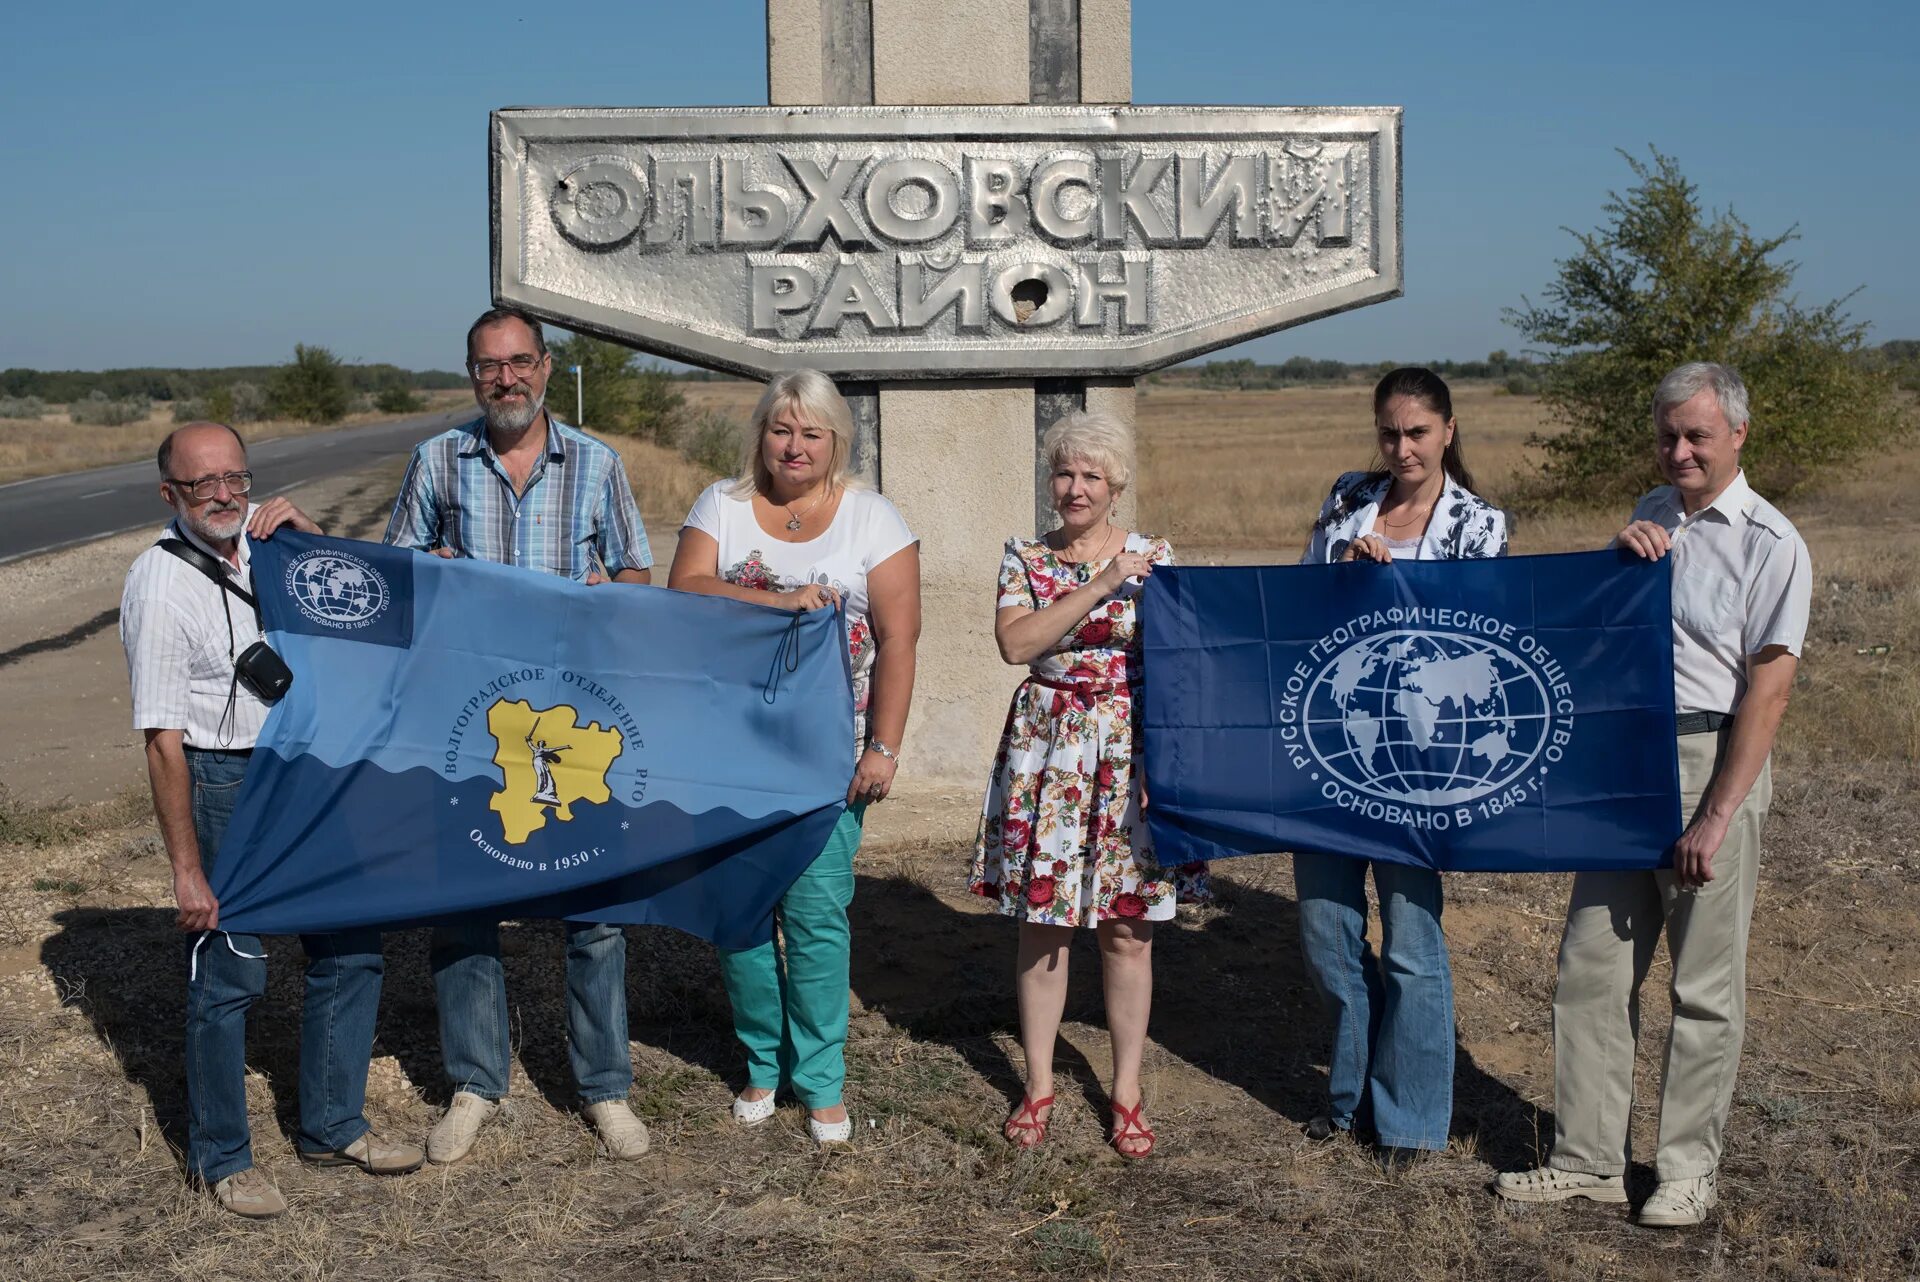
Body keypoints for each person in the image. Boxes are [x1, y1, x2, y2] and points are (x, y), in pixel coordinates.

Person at [1496, 362, 1810, 1226]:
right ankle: (1589, 1161)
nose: (1680, 451)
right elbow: (1604, 629)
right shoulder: (1650, 511)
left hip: (1712, 761)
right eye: (1668, 435)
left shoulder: (1771, 543)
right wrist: (1617, 556)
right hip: (1622, 765)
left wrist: (1717, 812)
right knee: (1590, 971)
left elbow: (1768, 692)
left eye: (1697, 436)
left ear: (1738, 435)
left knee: (1703, 986)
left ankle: (1684, 1171)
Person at [120, 422, 423, 1219]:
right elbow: (162, 741)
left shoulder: (271, 547)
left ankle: (332, 1126)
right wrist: (187, 870)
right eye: (201, 484)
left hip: (310, 770)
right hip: (229, 780)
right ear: (170, 495)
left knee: (352, 945)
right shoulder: (157, 586)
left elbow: (364, 619)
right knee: (230, 969)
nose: (223, 495)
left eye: (235, 478)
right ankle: (223, 1156)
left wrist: (315, 541)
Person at [383, 306, 654, 1163]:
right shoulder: (436, 461)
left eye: (520, 363)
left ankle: (604, 1085)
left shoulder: (600, 464)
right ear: (472, 375)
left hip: (574, 721)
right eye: (489, 366)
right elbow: (398, 576)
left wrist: (609, 592)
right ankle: (475, 1081)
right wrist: (433, 573)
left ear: (545, 366)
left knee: (593, 907)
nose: (507, 379)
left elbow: (638, 572)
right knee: (466, 904)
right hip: (469, 725)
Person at [668, 368, 921, 1147]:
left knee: (815, 919)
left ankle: (820, 1080)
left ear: (835, 440)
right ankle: (761, 1065)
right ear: (761, 434)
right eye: (782, 429)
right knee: (741, 919)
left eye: (812, 432)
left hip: (829, 760)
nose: (795, 446)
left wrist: (883, 746)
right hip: (730, 756)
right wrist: (779, 601)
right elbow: (685, 592)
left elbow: (898, 641)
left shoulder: (874, 520)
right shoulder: (724, 504)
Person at [968, 409, 1205, 1161]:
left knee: (1128, 930)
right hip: (1050, 752)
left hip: (1128, 754)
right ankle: (1038, 1087)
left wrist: (1162, 768)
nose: (1075, 488)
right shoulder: (1025, 558)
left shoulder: (1156, 556)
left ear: (1115, 486)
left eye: (1090, 477)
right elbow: (1017, 642)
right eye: (1064, 474)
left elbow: (1177, 668)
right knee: (1043, 926)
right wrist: (1101, 584)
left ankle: (1126, 1090)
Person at [1295, 367, 1508, 1171]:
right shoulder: (1347, 496)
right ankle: (1352, 1096)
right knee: (1326, 930)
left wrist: (1399, 590)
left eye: (1418, 432)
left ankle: (1412, 1121)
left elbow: (1478, 642)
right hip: (1334, 744)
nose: (1402, 447)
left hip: (1424, 763)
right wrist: (1341, 577)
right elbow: (1297, 611)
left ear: (1449, 430)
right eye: (1390, 432)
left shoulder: (1479, 526)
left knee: (1412, 937)